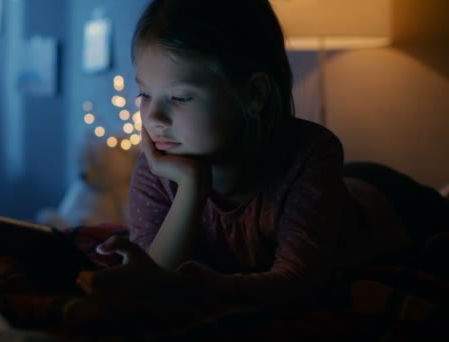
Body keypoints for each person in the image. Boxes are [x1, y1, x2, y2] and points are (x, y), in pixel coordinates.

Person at [73, 0, 448, 332]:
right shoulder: (159, 170)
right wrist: (191, 189)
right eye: (144, 93)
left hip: (388, 203)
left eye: (180, 97)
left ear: (254, 94)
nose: (153, 116)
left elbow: (297, 283)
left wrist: (192, 287)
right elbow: (154, 280)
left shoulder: (312, 154)